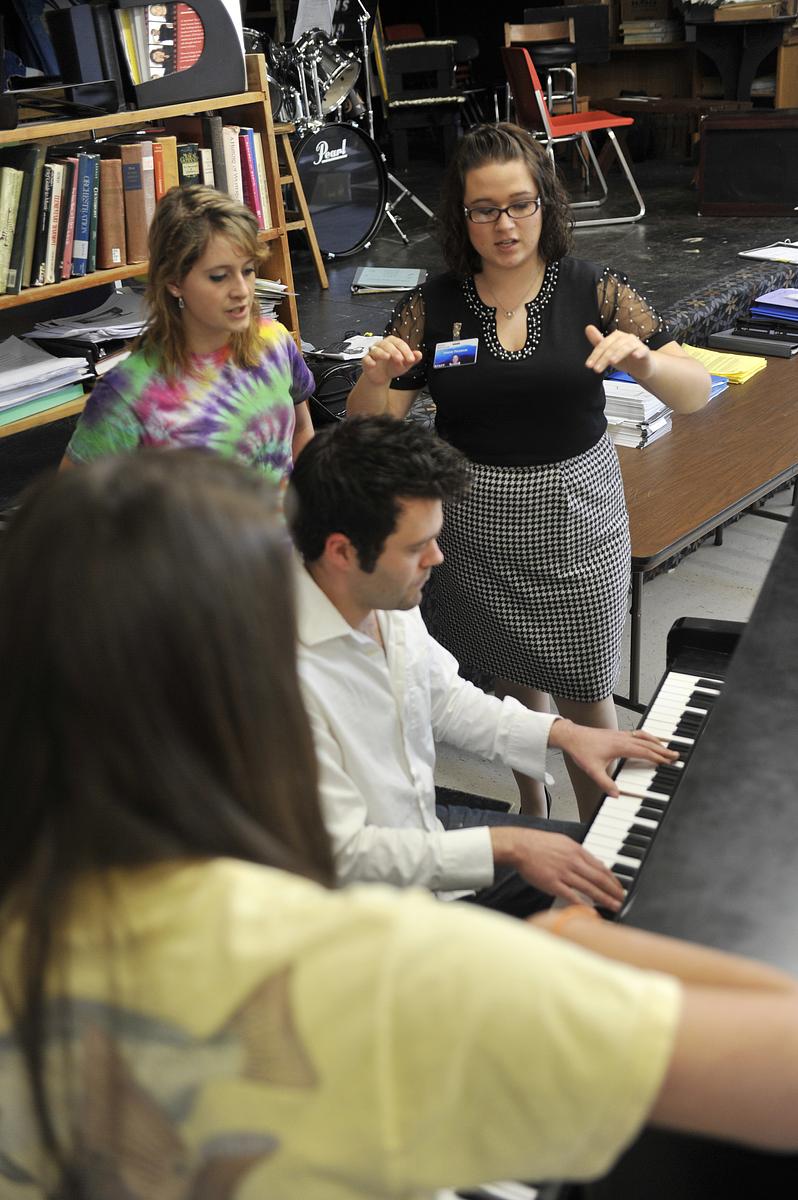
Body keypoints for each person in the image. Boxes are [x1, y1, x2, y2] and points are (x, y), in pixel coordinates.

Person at [2, 451, 798, 1197]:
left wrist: (559, 734)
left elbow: (443, 698)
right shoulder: (353, 969)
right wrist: (573, 949)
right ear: (239, 681)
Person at [347, 123, 712, 821]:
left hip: (576, 520)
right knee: (511, 674)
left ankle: (604, 837)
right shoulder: (436, 304)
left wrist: (645, 363)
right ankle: (531, 800)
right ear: (461, 216)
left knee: (583, 689)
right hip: (475, 522)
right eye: (484, 209)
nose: (505, 224)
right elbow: (373, 425)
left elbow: (693, 393)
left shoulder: (594, 290)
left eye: (520, 203)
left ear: (546, 202)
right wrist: (373, 380)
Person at [287, 416, 675, 915]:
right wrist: (508, 847)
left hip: (421, 829)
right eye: (415, 546)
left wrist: (566, 734)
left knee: (615, 870)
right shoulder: (278, 675)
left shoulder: (380, 596)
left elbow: (444, 699)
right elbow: (341, 856)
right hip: (360, 911)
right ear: (341, 551)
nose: (438, 557)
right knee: (593, 905)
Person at [62, 185, 314, 492]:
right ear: (174, 281)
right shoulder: (128, 393)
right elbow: (70, 506)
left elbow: (301, 431)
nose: (242, 290)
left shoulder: (275, 342)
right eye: (219, 276)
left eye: (247, 270)